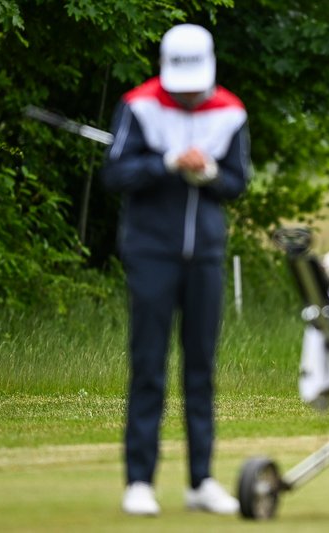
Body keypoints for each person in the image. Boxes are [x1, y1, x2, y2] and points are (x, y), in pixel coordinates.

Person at [101, 24, 251, 516]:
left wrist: (209, 174)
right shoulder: (139, 105)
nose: (188, 93)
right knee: (148, 366)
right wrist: (165, 162)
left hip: (205, 253)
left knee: (201, 370)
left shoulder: (229, 112)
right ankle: (139, 481)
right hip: (151, 252)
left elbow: (236, 182)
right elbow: (116, 173)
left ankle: (200, 480)